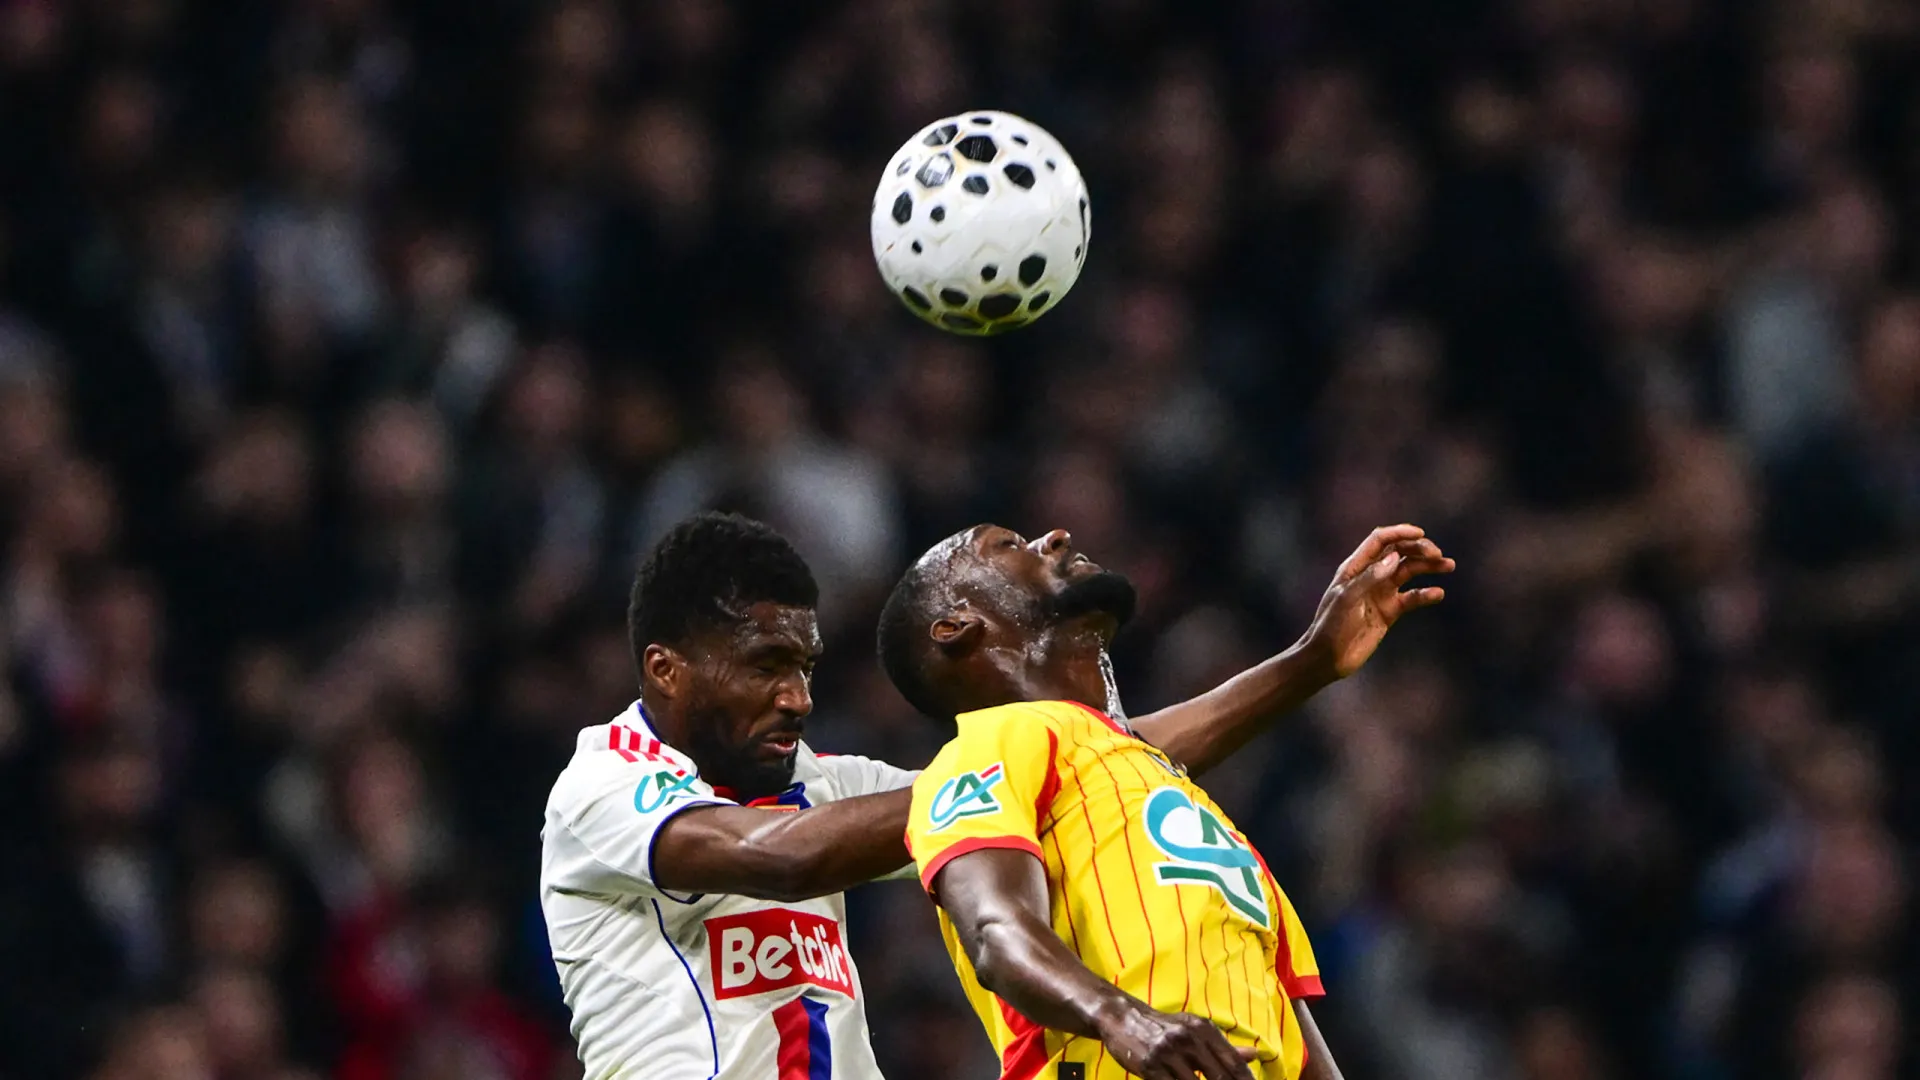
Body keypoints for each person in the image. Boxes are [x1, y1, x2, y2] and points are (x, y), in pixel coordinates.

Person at [541, 513, 1443, 1079]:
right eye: (767, 666)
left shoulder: (827, 781)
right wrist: (1011, 771)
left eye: (806, 668)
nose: (799, 698)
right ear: (667, 669)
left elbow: (1102, 771)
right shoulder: (602, 783)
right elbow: (776, 857)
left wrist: (1308, 664)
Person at [881, 523, 1453, 1080]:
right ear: (957, 627)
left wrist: (1315, 656)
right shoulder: (986, 748)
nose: (1053, 538)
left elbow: (1292, 1035)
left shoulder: (1195, 811)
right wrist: (1122, 1016)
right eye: (1008, 545)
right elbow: (994, 930)